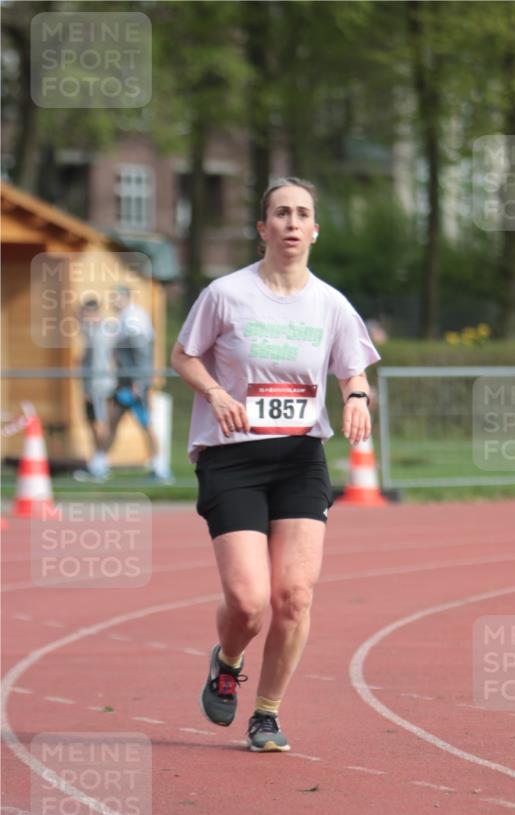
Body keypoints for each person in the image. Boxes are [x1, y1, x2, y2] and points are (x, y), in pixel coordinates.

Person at [171, 177, 380, 752]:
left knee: (295, 596)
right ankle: (228, 659)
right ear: (262, 228)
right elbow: (183, 355)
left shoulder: (331, 304)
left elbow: (352, 368)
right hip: (232, 457)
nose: (291, 223)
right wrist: (215, 394)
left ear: (315, 229)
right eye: (280, 213)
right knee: (249, 602)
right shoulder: (226, 295)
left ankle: (266, 713)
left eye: (302, 214)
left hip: (298, 457)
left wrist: (356, 398)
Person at [106, 286, 172, 482]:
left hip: (134, 384)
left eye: (115, 296)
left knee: (146, 423)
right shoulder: (123, 318)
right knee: (112, 422)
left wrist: (138, 382)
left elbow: (141, 354)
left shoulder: (134, 318)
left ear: (126, 297)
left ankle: (160, 468)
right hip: (123, 383)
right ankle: (98, 465)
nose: (113, 300)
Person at [74, 296, 116, 482]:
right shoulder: (91, 331)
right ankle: (96, 463)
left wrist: (90, 388)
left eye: (84, 313)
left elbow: (98, 363)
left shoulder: (100, 334)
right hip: (91, 386)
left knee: (100, 423)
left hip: (98, 386)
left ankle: (101, 464)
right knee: (93, 423)